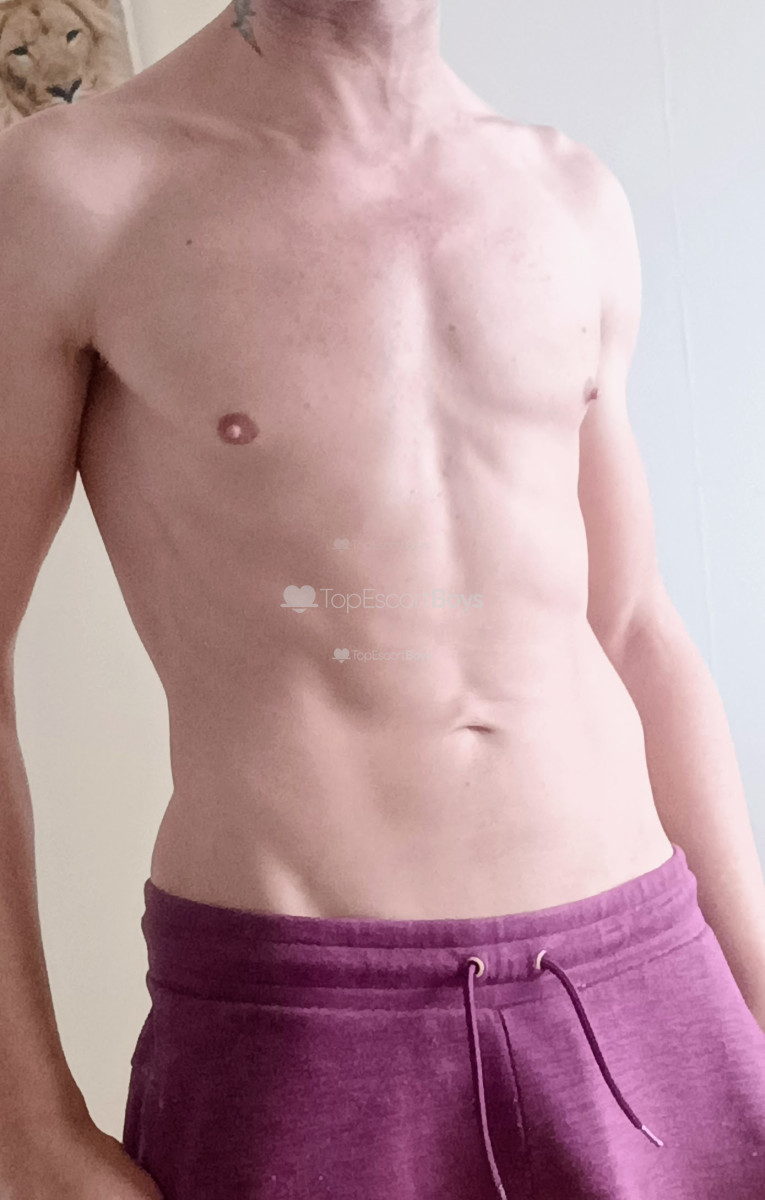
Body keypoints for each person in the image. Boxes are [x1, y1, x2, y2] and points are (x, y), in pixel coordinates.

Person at [1, 1, 765, 1197]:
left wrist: (759, 996)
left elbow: (633, 628)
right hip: (307, 1020)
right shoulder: (76, 191)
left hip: (645, 975)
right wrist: (25, 1121)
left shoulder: (569, 196)